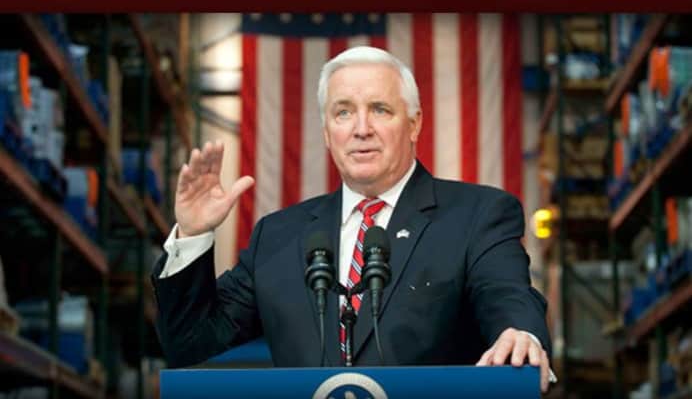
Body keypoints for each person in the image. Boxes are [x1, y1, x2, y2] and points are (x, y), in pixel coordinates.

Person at [151, 46, 555, 392]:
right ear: (327, 132)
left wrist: (520, 333)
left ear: (414, 123)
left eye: (380, 109)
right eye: (343, 113)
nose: (362, 129)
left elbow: (506, 294)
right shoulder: (277, 236)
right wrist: (193, 234)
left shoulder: (478, 214)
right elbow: (190, 343)